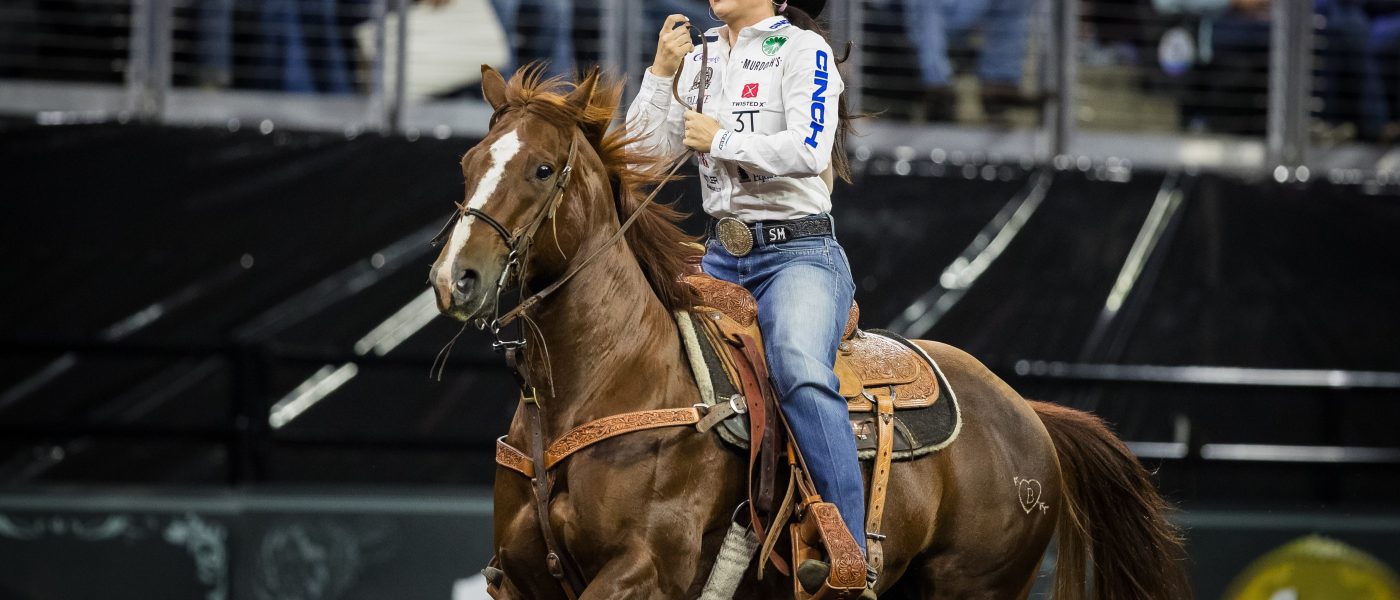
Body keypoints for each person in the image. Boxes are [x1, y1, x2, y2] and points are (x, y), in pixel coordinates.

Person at [624, 0, 876, 597]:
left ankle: (851, 552)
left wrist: (724, 136)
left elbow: (811, 150)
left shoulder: (802, 51)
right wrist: (660, 73)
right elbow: (641, 157)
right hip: (719, 256)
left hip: (801, 255)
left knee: (796, 364)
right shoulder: (701, 55)